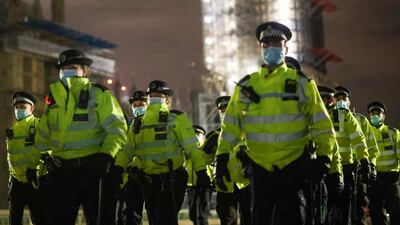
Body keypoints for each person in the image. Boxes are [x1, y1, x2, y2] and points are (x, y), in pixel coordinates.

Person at [216, 21, 336, 225]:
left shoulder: (302, 84)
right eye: (267, 44)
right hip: (260, 169)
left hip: (293, 168)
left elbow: (322, 125)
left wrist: (325, 157)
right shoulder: (246, 86)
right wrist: (222, 156)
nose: (272, 48)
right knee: (260, 219)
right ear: (260, 49)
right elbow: (231, 127)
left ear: (286, 49)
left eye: (277, 44)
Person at [35, 49, 127, 225]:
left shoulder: (99, 95)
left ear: (84, 71)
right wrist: (41, 160)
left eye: (73, 67)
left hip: (93, 170)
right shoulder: (53, 100)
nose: (67, 71)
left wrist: (106, 156)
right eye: (64, 68)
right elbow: (42, 136)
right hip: (62, 172)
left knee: (100, 221)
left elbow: (117, 128)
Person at [116, 80, 209, 225]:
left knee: (160, 219)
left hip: (161, 180)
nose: (153, 98)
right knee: (160, 219)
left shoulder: (147, 122)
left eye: (155, 95)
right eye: (152, 95)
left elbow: (192, 148)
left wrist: (201, 172)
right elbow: (192, 149)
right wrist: (202, 172)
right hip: (160, 180)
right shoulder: (166, 120)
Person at [317, 84, 370, 225]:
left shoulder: (345, 116)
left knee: (344, 210)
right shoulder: (311, 116)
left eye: (329, 98)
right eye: (322, 97)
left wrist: (364, 160)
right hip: (318, 168)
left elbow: (359, 140)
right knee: (320, 211)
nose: (326, 101)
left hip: (345, 169)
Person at [334, 85, 379, 225]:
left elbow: (371, 147)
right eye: (338, 98)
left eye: (344, 98)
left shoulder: (361, 121)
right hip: (335, 170)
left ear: (349, 102)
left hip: (357, 172)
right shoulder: (329, 117)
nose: (341, 101)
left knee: (358, 210)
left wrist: (370, 165)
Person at [6, 91, 46, 225]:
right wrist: (11, 180)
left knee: (40, 219)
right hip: (16, 184)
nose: (19, 110)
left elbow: (49, 151)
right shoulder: (12, 130)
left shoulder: (40, 126)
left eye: (23, 107)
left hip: (35, 181)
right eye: (17, 107)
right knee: (14, 221)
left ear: (32, 108)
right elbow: (12, 159)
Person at [116, 91, 148, 225]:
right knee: (124, 217)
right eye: (134, 105)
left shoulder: (153, 126)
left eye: (141, 104)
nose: (137, 107)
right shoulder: (131, 127)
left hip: (144, 176)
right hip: (127, 180)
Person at [367, 101, 400, 225]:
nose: (375, 115)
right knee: (376, 213)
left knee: (396, 211)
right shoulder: (366, 133)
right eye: (372, 113)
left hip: (392, 179)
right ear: (369, 115)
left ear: (384, 116)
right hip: (374, 179)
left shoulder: (393, 133)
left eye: (378, 113)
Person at [186, 125, 212, 225]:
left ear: (203, 136)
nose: (195, 136)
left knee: (202, 214)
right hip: (190, 184)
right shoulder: (186, 149)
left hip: (204, 184)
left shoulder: (206, 148)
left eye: (198, 134)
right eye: (193, 134)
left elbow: (211, 165)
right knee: (192, 214)